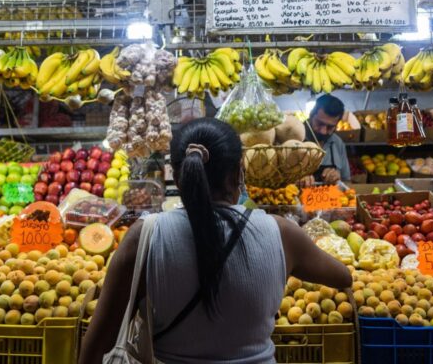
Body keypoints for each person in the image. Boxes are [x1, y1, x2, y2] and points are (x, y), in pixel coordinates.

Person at [79, 118, 352, 364]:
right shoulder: (281, 233)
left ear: (177, 173)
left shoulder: (144, 237)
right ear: (238, 173)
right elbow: (343, 276)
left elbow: (95, 345)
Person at [300, 95, 352, 186]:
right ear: (311, 115)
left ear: (337, 124)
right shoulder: (293, 138)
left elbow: (347, 182)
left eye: (330, 127)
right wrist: (295, 179)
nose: (323, 131)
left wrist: (337, 179)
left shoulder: (337, 143)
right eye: (320, 123)